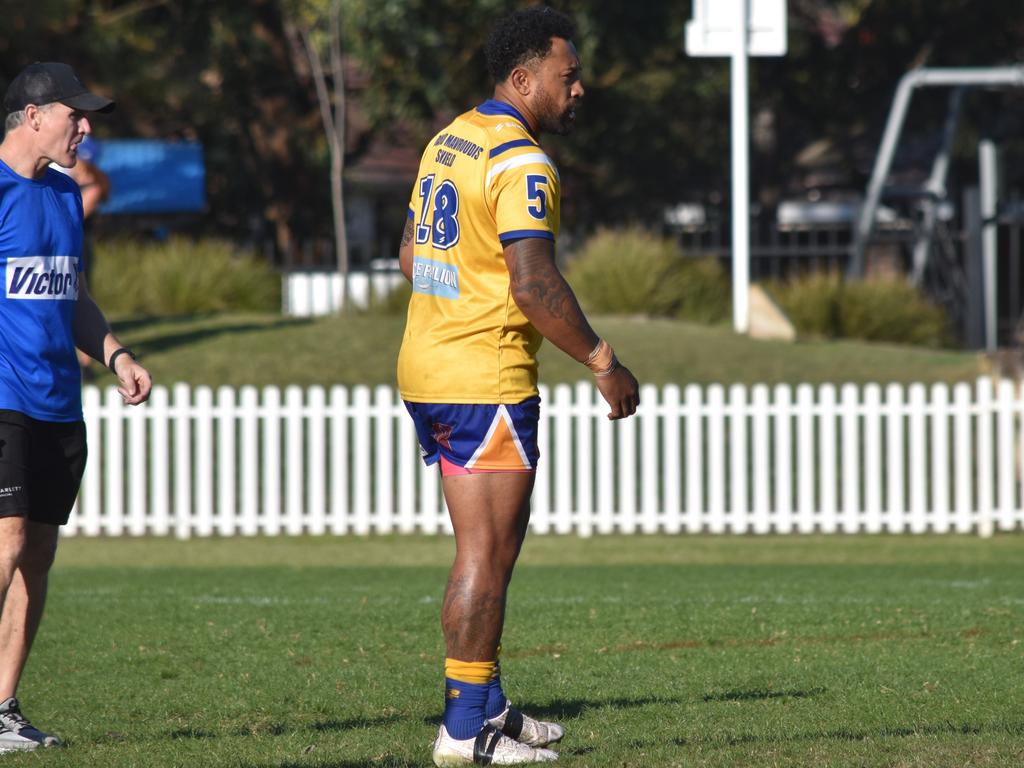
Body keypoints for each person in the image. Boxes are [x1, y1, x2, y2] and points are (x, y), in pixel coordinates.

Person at [396, 7, 640, 765]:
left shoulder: (451, 138)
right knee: (487, 555)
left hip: (428, 368)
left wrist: (463, 296)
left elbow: (409, 255)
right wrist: (604, 361)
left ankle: (488, 705)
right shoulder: (522, 161)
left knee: (486, 550)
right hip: (483, 381)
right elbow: (534, 286)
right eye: (568, 77)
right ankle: (463, 732)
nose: (579, 90)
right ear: (524, 77)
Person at [0, 62, 152, 752]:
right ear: (33, 117)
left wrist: (116, 355)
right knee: (4, 539)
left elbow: (74, 295)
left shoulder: (63, 195)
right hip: (4, 399)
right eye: (75, 115)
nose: (85, 128)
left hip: (61, 402)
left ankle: (3, 710)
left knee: (36, 554)